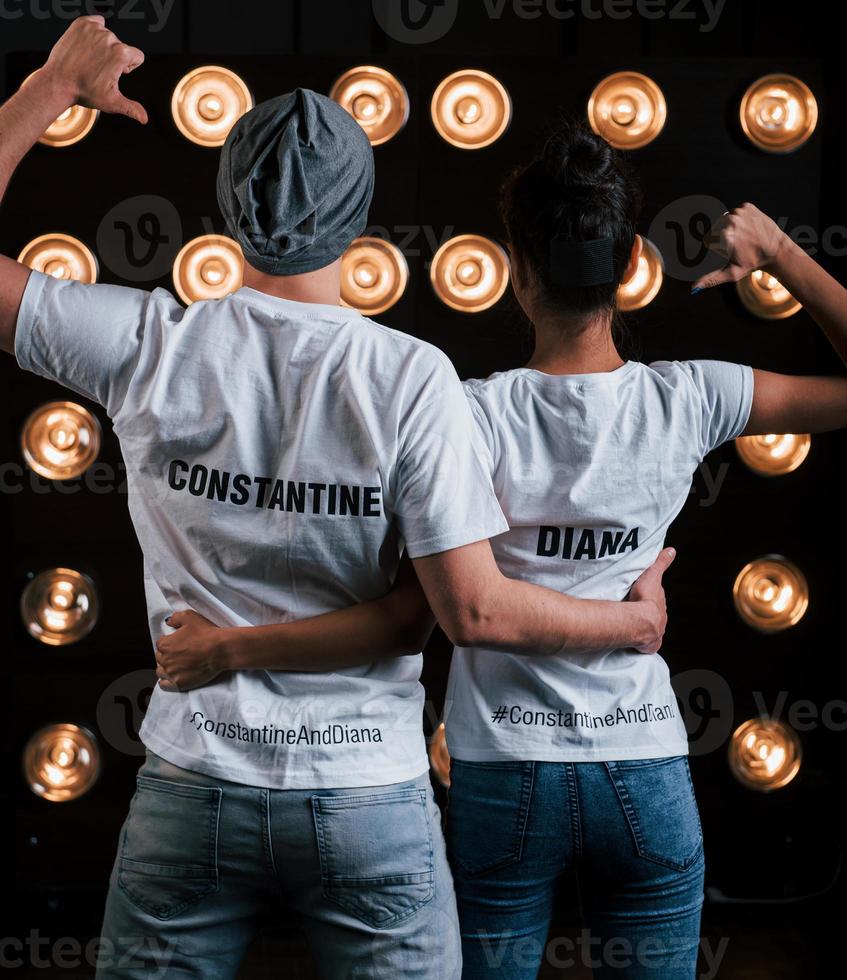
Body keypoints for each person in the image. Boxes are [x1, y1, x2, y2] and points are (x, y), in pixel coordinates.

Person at [0, 19, 673, 980]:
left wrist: (51, 86)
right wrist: (631, 624)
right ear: (359, 221)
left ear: (227, 208)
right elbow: (470, 610)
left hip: (193, 783)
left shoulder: (148, 344)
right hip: (367, 796)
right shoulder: (411, 377)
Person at [157, 125, 847, 980]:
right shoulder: (692, 397)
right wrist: (776, 249)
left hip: (501, 773)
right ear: (632, 261)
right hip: (645, 767)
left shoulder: (461, 410)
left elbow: (442, 606)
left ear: (516, 270)